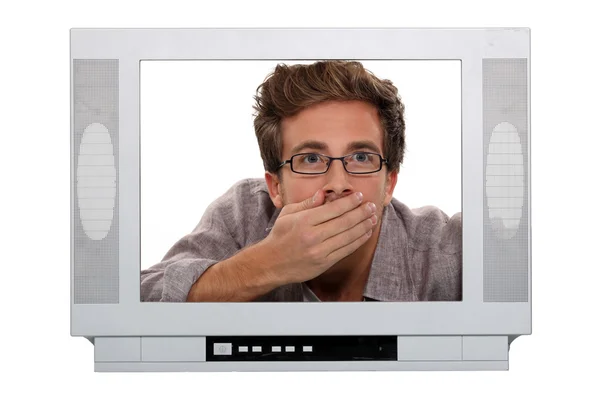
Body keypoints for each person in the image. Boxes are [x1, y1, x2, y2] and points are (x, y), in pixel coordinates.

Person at [141, 60, 461, 303]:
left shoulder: (444, 252)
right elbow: (134, 298)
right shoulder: (243, 216)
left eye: (361, 157)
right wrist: (267, 264)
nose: (338, 183)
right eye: (310, 159)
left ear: (389, 182)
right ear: (275, 187)